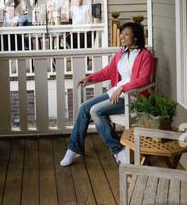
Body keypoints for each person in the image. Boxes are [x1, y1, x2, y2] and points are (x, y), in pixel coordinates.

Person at [60, 22, 154, 167]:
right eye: (121, 33)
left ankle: (117, 149)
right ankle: (74, 148)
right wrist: (89, 78)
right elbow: (107, 72)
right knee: (85, 107)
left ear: (136, 38)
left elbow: (143, 80)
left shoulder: (145, 56)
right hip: (116, 93)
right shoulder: (120, 55)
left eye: (126, 34)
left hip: (134, 97)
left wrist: (123, 88)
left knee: (95, 110)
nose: (122, 37)